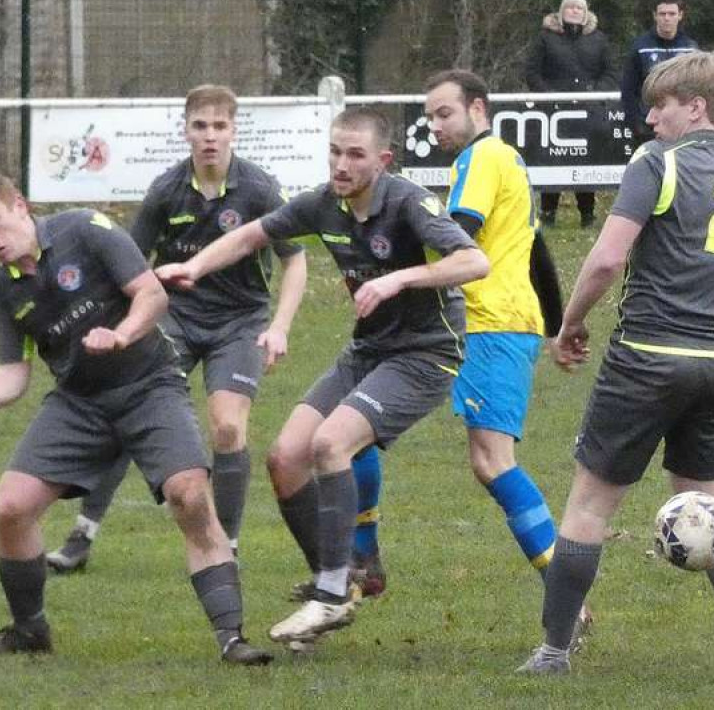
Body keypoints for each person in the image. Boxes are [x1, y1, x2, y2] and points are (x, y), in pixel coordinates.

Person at [154, 107, 489, 646]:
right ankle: (335, 582)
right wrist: (193, 268)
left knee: (330, 444)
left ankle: (331, 594)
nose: (340, 164)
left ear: (382, 161)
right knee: (285, 459)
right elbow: (251, 236)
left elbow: (474, 263)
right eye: (335, 151)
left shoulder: (407, 202)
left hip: (426, 353)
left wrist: (399, 280)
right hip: (369, 348)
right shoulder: (324, 203)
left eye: (355, 154)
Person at [520, 51, 714, 678]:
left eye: (660, 106)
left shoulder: (656, 164)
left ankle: (553, 653)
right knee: (709, 505)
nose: (650, 119)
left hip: (647, 356)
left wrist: (571, 322)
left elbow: (610, 258)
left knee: (588, 505)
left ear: (696, 108)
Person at [0, 174, 271, 665]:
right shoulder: (5, 290)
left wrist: (121, 334)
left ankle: (232, 638)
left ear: (20, 206)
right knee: (10, 507)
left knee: (189, 496)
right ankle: (29, 631)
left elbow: (152, 295)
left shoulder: (86, 229)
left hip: (150, 386)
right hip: (79, 402)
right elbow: (14, 373)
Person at [46, 84, 309, 572]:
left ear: (234, 130)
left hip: (240, 321)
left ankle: (225, 546)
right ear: (186, 130)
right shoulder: (165, 191)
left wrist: (281, 326)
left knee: (228, 427)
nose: (210, 136)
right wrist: (117, 324)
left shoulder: (259, 189)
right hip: (176, 319)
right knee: (129, 415)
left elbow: (295, 261)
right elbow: (127, 264)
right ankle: (82, 536)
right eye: (200, 126)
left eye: (220, 126)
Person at [423, 69, 590, 647]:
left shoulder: (479, 158)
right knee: (487, 459)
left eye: (445, 113)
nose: (436, 126)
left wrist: (399, 262)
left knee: (494, 461)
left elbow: (458, 233)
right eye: (430, 117)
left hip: (490, 322)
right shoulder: (509, 160)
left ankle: (568, 597)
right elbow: (536, 247)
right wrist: (558, 324)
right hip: (506, 321)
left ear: (477, 107)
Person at [525, 0, 618, 228]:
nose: (575, 11)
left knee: (584, 162)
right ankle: (547, 213)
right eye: (570, 7)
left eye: (579, 8)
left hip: (588, 111)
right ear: (561, 11)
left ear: (586, 13)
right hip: (554, 113)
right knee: (553, 161)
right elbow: (532, 73)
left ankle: (587, 213)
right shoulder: (545, 38)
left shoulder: (599, 40)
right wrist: (549, 97)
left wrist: (595, 94)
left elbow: (610, 72)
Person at [621, 0, 699, 153]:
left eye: (672, 14)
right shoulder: (640, 47)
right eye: (662, 14)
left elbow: (698, 89)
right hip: (648, 127)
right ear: (655, 16)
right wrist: (636, 125)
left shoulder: (691, 48)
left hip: (682, 128)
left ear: (680, 15)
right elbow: (628, 90)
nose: (667, 18)